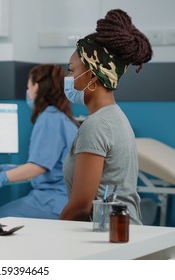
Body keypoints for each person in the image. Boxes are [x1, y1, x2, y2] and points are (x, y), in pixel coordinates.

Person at [60, 9, 153, 225]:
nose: (67, 77)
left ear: (92, 75)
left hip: (112, 238)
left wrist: (56, 233)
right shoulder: (115, 117)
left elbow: (80, 206)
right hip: (122, 233)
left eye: (71, 70)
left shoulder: (97, 125)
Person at [0, 64, 79, 219]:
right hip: (65, 199)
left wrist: (4, 177)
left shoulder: (49, 118)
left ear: (36, 87)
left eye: (28, 86)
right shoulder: (64, 119)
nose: (28, 92)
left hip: (52, 200)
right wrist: (13, 169)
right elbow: (52, 165)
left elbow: (38, 167)